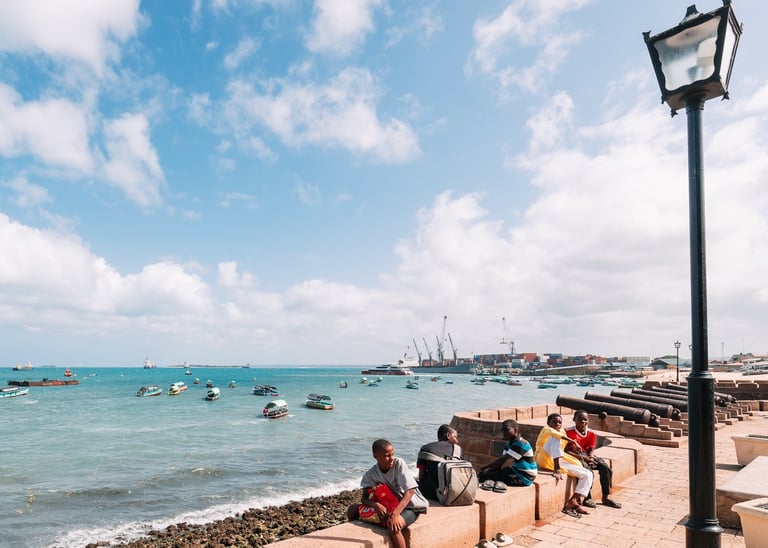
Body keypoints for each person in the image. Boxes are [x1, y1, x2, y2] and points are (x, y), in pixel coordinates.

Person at [347, 439, 428, 548]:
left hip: (410, 507)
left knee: (393, 524)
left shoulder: (398, 464)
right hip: (389, 506)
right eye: (387, 456)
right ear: (375, 456)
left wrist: (395, 514)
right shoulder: (371, 474)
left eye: (392, 454)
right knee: (352, 510)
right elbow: (364, 498)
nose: (391, 459)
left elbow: (410, 491)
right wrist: (376, 505)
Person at [535, 412, 593, 516]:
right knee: (555, 438)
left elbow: (562, 448)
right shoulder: (546, 429)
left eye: (560, 422)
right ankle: (557, 469)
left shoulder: (562, 431)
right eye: (555, 422)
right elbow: (556, 435)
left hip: (557, 458)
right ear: (549, 423)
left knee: (587, 474)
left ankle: (573, 501)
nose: (558, 424)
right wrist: (574, 441)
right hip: (543, 457)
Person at [565, 410, 622, 509]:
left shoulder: (591, 433)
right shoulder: (568, 432)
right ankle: (587, 497)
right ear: (574, 420)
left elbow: (591, 448)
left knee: (606, 468)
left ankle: (605, 497)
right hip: (574, 456)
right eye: (580, 419)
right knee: (587, 471)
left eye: (585, 420)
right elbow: (566, 451)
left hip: (587, 455)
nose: (583, 422)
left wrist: (590, 458)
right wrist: (585, 459)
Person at [477, 419, 537, 488]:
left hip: (524, 477)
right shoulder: (510, 443)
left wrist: (484, 467)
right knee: (486, 474)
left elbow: (502, 459)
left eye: (507, 429)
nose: (504, 432)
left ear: (515, 430)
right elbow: (501, 463)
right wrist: (486, 470)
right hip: (516, 471)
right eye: (503, 430)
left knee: (486, 477)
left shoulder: (522, 444)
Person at [417, 424, 463, 500]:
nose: (457, 441)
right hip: (453, 493)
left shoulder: (425, 448)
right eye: (455, 437)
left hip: (431, 494)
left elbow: (421, 475)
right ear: (448, 435)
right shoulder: (458, 450)